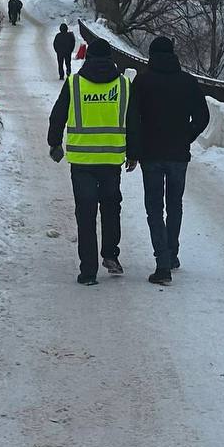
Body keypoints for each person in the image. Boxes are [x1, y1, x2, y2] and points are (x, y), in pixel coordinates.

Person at [47, 37, 140, 285]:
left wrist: (54, 143)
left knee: (86, 214)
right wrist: (133, 153)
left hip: (82, 161)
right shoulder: (123, 85)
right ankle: (110, 255)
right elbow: (133, 121)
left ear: (87, 58)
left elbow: (57, 115)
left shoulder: (75, 83)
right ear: (111, 59)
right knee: (111, 208)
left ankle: (88, 271)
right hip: (111, 160)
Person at [128, 36, 209, 285]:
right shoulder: (188, 82)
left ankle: (162, 264)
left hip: (151, 155)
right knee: (175, 205)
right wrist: (186, 136)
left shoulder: (142, 81)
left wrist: (133, 151)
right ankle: (172, 254)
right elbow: (203, 116)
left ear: (151, 55)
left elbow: (131, 119)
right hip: (178, 155)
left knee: (154, 208)